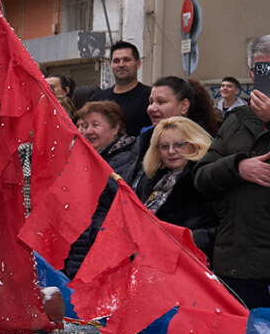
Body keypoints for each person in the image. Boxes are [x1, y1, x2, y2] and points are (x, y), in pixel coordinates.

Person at [195, 34, 270, 310]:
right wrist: (237, 167)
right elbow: (202, 178)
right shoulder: (237, 120)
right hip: (239, 264)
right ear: (252, 74)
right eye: (263, 69)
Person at [63, 101, 140, 279]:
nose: (88, 131)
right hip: (80, 250)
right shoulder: (82, 157)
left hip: (104, 254)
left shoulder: (128, 159)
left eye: (95, 125)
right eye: (85, 126)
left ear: (116, 128)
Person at [131, 116, 219, 263]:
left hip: (192, 263)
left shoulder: (208, 177)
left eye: (179, 145)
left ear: (195, 144)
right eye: (164, 146)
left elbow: (231, 228)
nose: (171, 151)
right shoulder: (152, 179)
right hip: (151, 261)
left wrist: (193, 239)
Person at [98, 41, 153, 137]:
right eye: (116, 61)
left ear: (138, 64)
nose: (121, 64)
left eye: (126, 60)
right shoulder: (98, 99)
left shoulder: (151, 98)